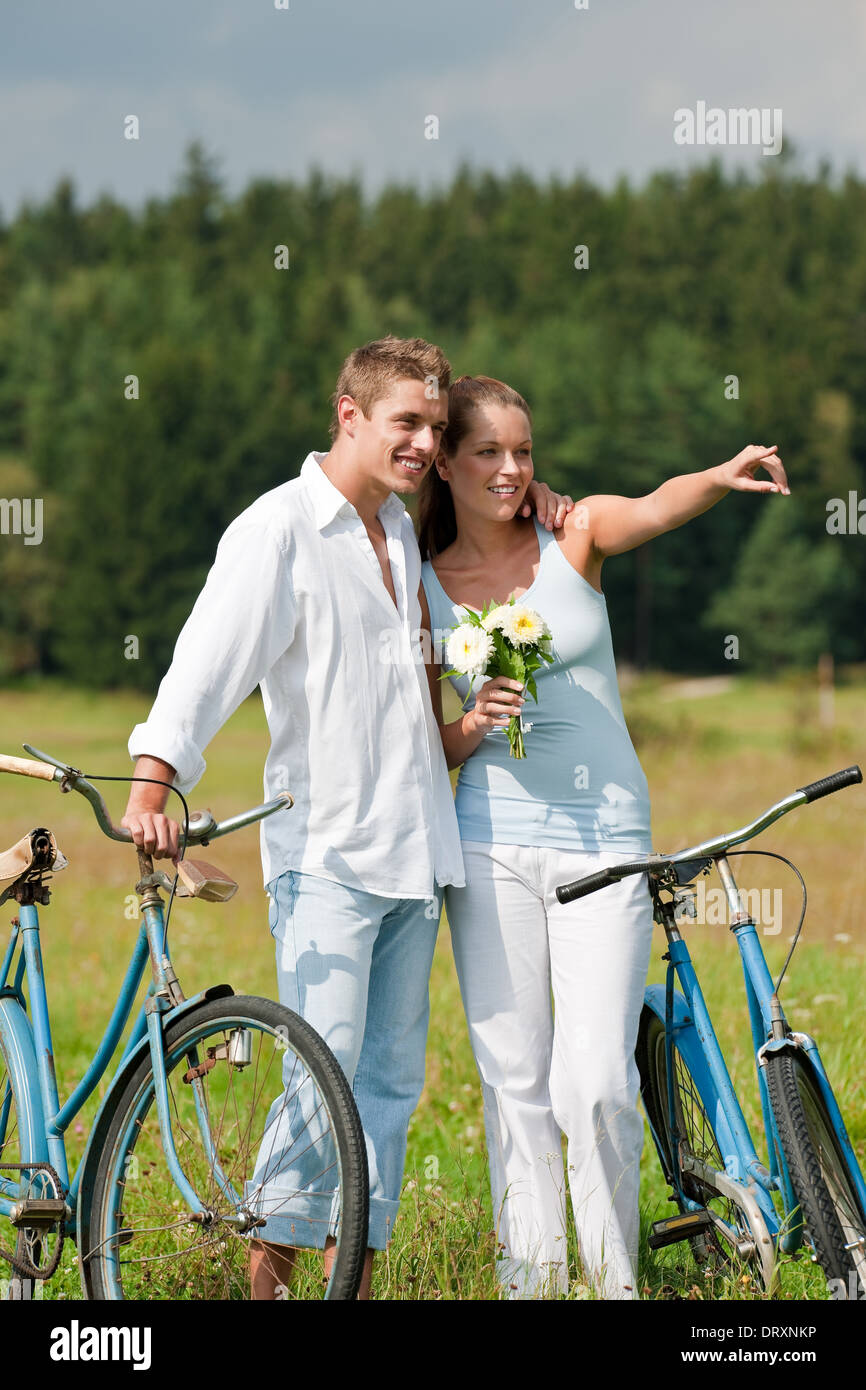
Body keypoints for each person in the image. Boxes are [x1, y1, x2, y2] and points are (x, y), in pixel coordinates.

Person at [120, 338, 571, 1299]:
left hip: (417, 852)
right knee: (316, 1085)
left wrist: (468, 731)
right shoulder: (278, 529)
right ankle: (269, 1284)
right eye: (406, 423)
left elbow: (408, 716)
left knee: (389, 1093)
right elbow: (207, 664)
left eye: (435, 429)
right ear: (349, 414)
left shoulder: (401, 535)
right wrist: (152, 786)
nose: (421, 443)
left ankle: (348, 1284)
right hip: (325, 854)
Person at [418, 374, 788, 1299]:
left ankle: (614, 1285)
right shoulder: (419, 584)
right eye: (490, 453)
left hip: (606, 840)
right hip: (491, 840)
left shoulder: (571, 534)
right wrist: (474, 723)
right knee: (515, 1084)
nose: (512, 470)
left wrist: (720, 472)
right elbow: (433, 738)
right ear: (448, 465)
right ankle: (531, 1284)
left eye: (525, 452)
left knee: (596, 1082)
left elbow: (656, 507)